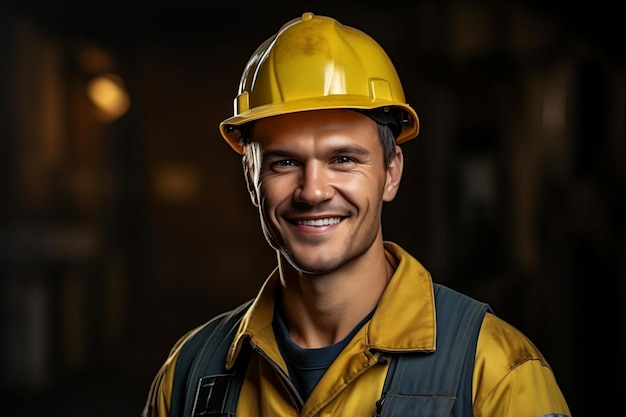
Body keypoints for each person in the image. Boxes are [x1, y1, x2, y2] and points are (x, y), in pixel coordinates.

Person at [142, 12, 571, 417]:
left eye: (343, 159)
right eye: (284, 162)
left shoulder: (495, 373)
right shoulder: (189, 375)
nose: (312, 191)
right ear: (251, 177)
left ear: (391, 172)